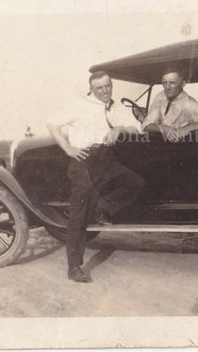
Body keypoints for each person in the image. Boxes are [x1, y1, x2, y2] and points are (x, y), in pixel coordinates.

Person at [47, 71, 145, 283]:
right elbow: (52, 123)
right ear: (91, 88)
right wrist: (68, 148)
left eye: (108, 86)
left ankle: (102, 207)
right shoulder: (79, 105)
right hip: (84, 161)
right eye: (100, 88)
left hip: (107, 160)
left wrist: (120, 128)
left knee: (136, 184)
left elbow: (137, 128)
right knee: (79, 215)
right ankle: (74, 267)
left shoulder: (117, 106)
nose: (105, 91)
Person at [142, 66, 198, 141]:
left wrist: (187, 128)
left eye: (172, 83)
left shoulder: (189, 104)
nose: (167, 87)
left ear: (183, 84)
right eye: (164, 83)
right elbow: (146, 124)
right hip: (158, 142)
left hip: (180, 147)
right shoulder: (160, 97)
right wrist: (163, 128)